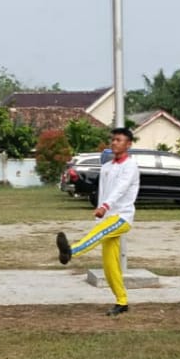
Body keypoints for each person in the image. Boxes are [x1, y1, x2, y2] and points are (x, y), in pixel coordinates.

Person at [55, 128, 140, 316]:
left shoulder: (130, 166)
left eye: (119, 140)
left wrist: (106, 206)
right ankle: (122, 301)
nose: (114, 143)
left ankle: (71, 252)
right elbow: (101, 191)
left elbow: (120, 189)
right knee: (110, 265)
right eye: (113, 140)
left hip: (122, 216)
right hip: (107, 216)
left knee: (95, 236)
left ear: (128, 144)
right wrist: (80, 184)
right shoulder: (108, 166)